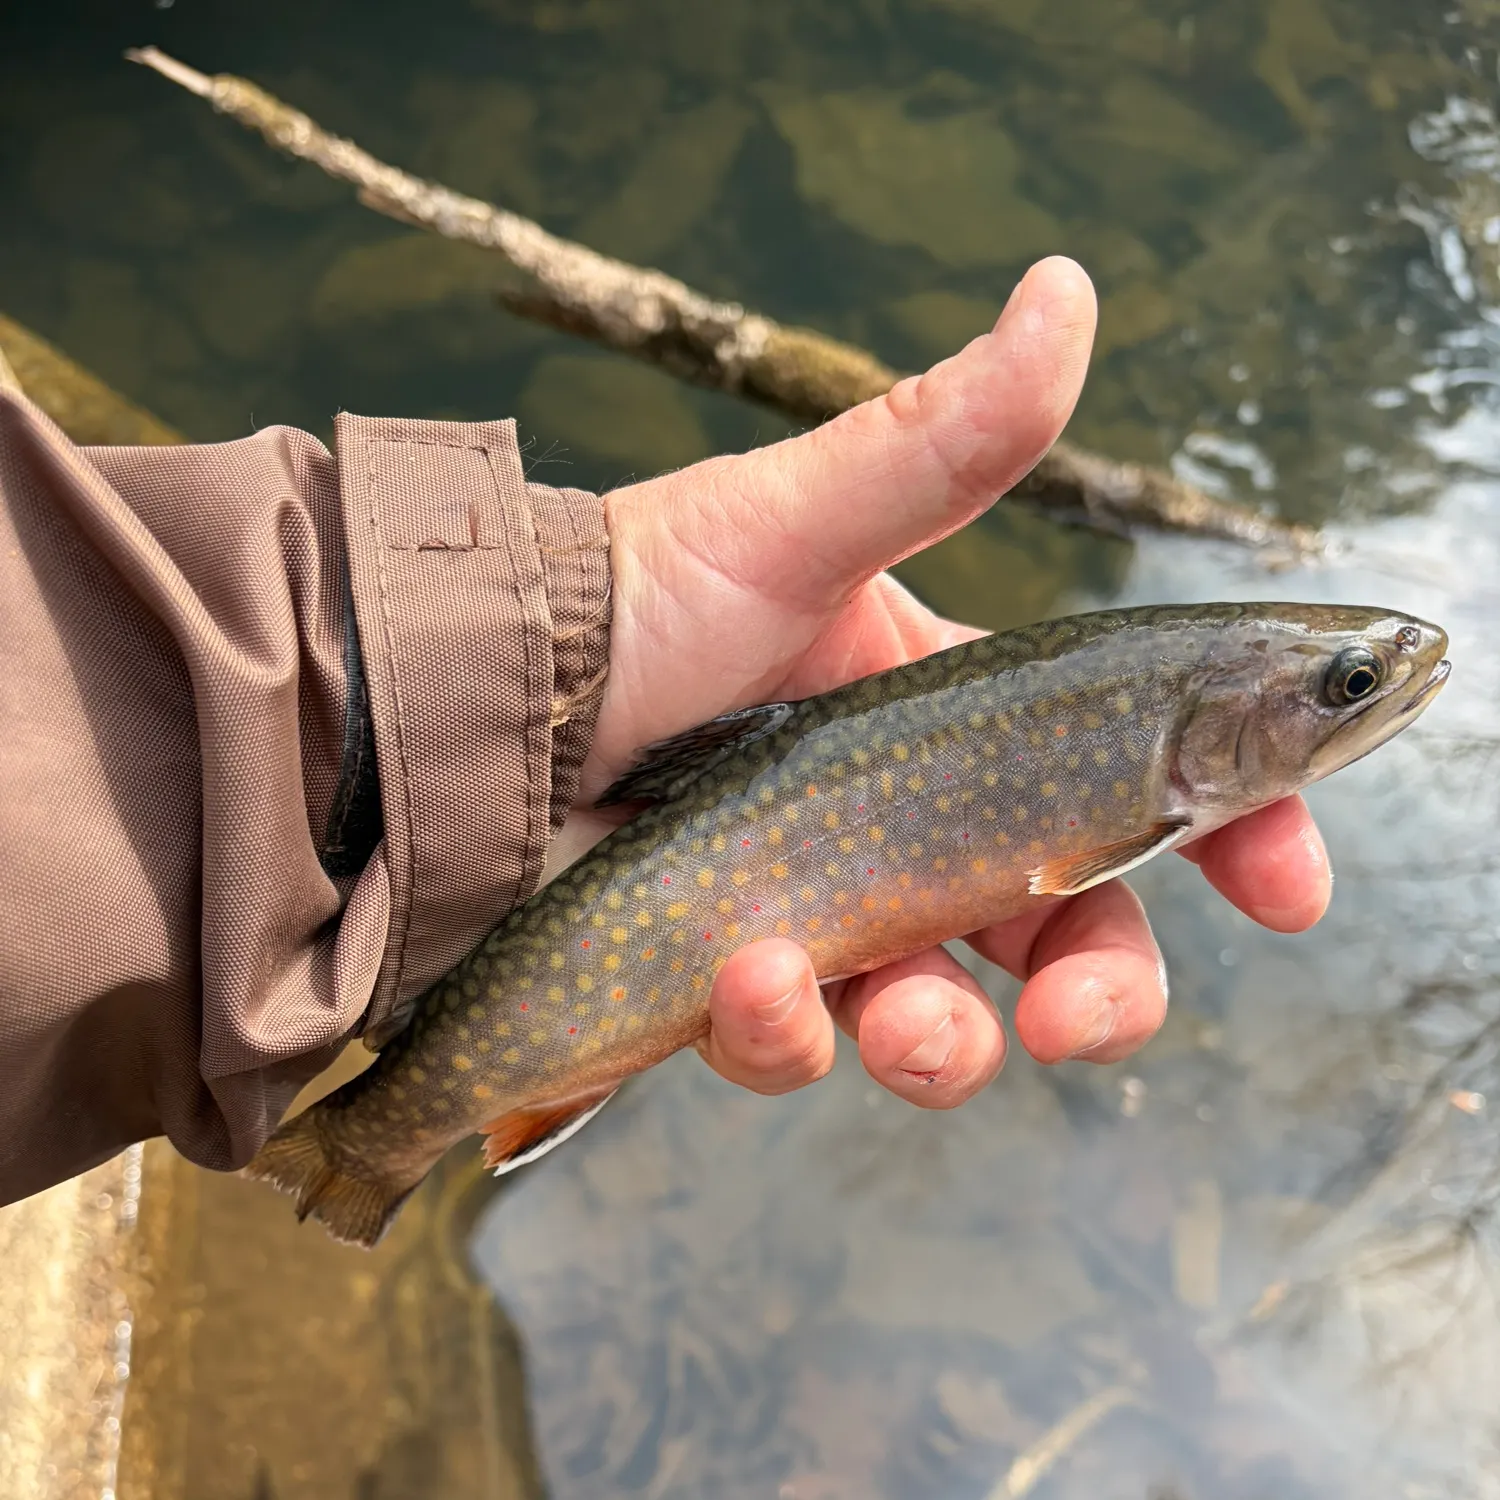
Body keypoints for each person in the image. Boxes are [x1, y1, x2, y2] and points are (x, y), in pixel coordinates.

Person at [0, 258, 1329, 1207]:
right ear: (1212, 734)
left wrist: (489, 678)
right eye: (1340, 687)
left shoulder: (1153, 731)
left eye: (1343, 690)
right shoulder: (1142, 781)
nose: (1365, 700)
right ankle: (376, 1141)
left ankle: (385, 1131)